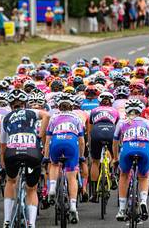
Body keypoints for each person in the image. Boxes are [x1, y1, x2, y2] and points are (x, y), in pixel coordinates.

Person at [0, 89, 50, 228]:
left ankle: (7, 220)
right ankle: (32, 224)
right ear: (25, 104)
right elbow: (46, 115)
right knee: (32, 189)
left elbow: (3, 145)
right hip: (32, 151)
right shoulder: (31, 112)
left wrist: (2, 162)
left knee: (10, 181)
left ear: (11, 105)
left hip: (12, 152)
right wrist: (39, 136)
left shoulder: (6, 117)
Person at [113, 99, 149, 221]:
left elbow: (115, 142)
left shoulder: (121, 122)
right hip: (144, 149)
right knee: (144, 176)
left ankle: (121, 209)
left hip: (127, 149)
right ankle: (143, 201)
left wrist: (115, 158)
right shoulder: (147, 123)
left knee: (124, 175)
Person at [45, 93, 84, 224]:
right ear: (72, 106)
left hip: (56, 141)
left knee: (54, 164)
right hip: (71, 143)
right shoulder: (76, 118)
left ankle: (51, 188)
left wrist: (46, 157)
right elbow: (82, 141)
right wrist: (81, 156)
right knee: (72, 176)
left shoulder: (53, 118)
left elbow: (47, 140)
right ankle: (73, 206)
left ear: (58, 106)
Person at [88, 92, 119, 202]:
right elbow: (118, 127)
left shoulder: (94, 111)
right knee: (114, 154)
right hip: (111, 131)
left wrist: (89, 142)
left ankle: (95, 192)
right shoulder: (115, 111)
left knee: (95, 161)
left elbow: (90, 129)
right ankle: (112, 173)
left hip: (97, 131)